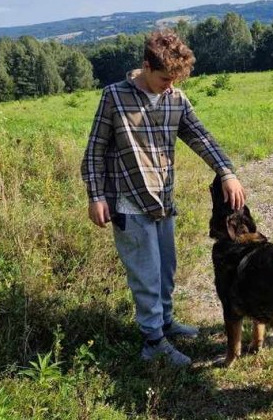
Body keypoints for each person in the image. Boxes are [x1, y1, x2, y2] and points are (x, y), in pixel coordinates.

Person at [82, 30, 246, 366]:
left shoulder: (176, 100)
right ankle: (152, 342)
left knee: (166, 269)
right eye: (164, 78)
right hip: (129, 202)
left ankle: (166, 322)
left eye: (175, 79)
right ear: (145, 66)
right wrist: (96, 196)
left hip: (163, 201)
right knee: (146, 273)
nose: (169, 85)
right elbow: (95, 151)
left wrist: (226, 172)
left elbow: (201, 137)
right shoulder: (115, 97)